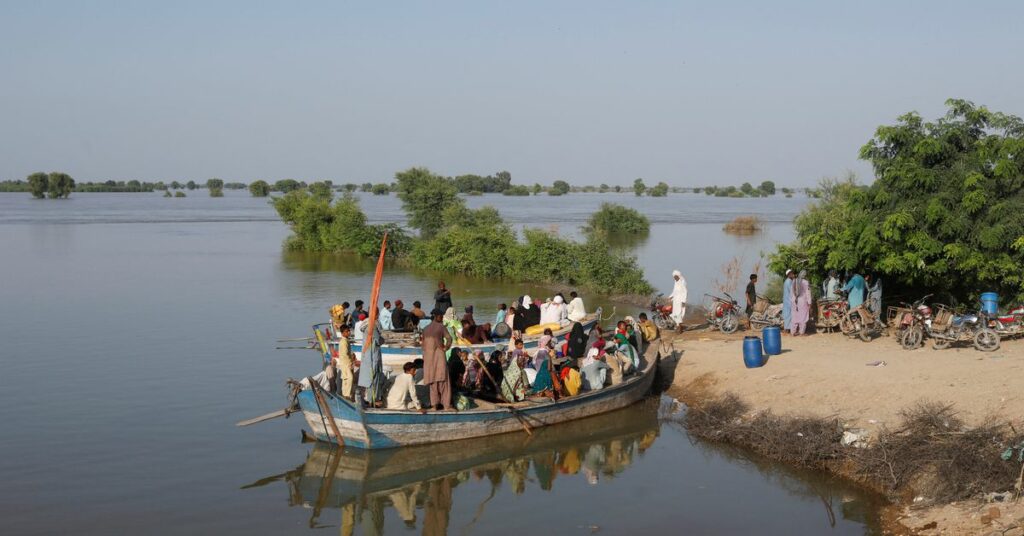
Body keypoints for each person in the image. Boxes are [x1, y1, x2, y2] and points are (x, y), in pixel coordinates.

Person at [421, 309, 453, 410]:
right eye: (441, 316)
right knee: (444, 381)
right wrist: (446, 347)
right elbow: (449, 338)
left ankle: (434, 405)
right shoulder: (441, 327)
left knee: (433, 381)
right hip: (439, 357)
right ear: (436, 316)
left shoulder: (425, 329)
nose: (442, 317)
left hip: (429, 358)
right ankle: (446, 405)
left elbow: (423, 345)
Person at [333, 325, 356, 399]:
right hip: (346, 364)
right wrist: (350, 362)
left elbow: (347, 353)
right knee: (349, 378)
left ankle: (347, 394)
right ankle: (346, 395)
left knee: (346, 379)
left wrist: (352, 355)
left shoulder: (346, 340)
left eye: (349, 331)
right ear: (342, 333)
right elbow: (344, 354)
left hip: (346, 363)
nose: (349, 332)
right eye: (347, 331)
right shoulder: (343, 342)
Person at [790, 270, 812, 336]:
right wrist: (809, 302)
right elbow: (808, 293)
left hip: (794, 301)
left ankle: (793, 332)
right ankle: (801, 332)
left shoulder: (794, 281)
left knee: (794, 316)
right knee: (803, 316)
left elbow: (791, 293)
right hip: (802, 301)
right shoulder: (805, 282)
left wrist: (792, 300)